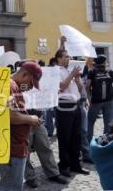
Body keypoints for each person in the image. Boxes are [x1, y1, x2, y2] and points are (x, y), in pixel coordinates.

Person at [0, 61, 43, 191]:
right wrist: (31, 119)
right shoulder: (10, 86)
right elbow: (9, 115)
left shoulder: (14, 86)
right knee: (11, 187)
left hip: (15, 146)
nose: (30, 87)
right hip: (12, 148)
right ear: (24, 74)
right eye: (31, 83)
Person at [54, 36, 89, 177]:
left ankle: (76, 164)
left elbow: (80, 89)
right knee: (65, 137)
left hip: (76, 105)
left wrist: (78, 79)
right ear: (58, 59)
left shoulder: (72, 70)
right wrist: (71, 76)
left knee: (77, 136)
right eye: (65, 56)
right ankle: (64, 165)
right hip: (63, 106)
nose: (68, 58)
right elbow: (61, 87)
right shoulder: (56, 71)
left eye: (69, 56)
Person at [25, 109, 68, 188]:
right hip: (24, 120)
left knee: (45, 146)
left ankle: (53, 173)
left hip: (38, 119)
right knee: (25, 152)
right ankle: (29, 177)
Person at [86, 55, 113, 142]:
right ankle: (105, 142)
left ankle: (89, 142)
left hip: (96, 101)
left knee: (90, 122)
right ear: (104, 62)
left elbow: (87, 86)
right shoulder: (109, 71)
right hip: (109, 101)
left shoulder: (92, 71)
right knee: (108, 124)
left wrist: (89, 99)